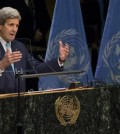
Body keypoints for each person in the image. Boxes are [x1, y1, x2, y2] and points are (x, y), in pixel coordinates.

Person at [0, 7, 69, 94]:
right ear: (1, 26)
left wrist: (60, 60)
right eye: (11, 25)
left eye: (17, 25)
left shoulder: (19, 47)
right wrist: (2, 65)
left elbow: (37, 68)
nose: (14, 29)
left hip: (19, 102)